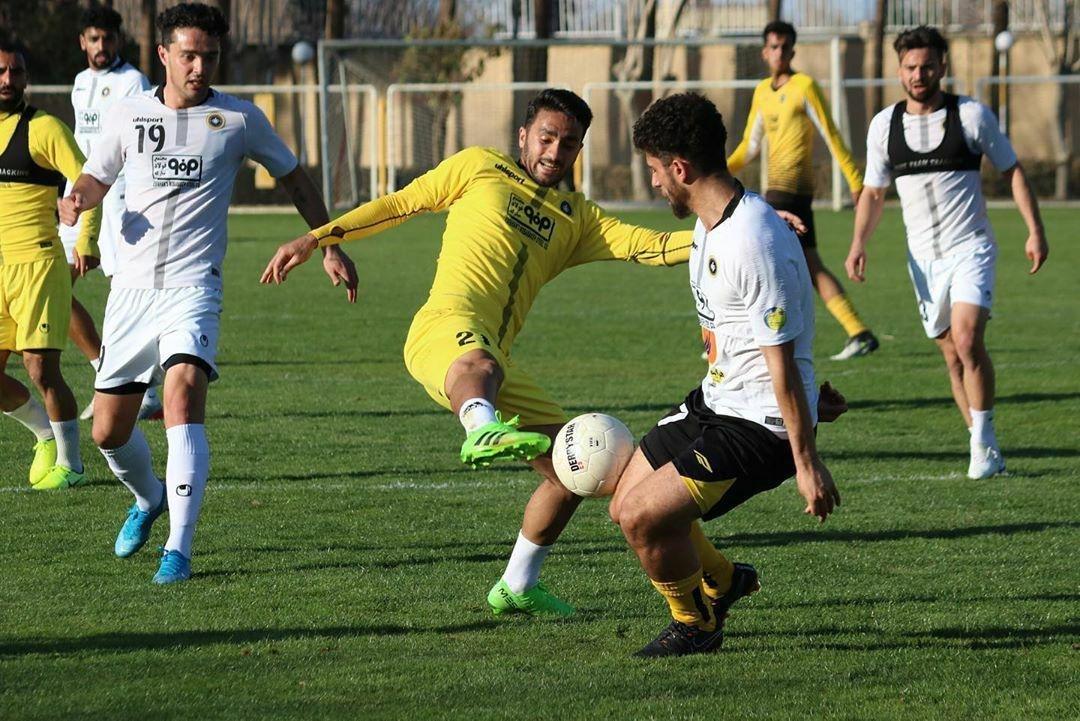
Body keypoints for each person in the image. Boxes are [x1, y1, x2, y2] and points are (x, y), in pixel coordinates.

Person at [262, 88, 700, 618]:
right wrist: (317, 238)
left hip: (497, 363)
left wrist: (731, 228)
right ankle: (480, 427)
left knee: (576, 466)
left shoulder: (577, 218)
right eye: (546, 138)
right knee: (482, 364)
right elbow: (401, 203)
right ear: (523, 135)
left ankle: (517, 584)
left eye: (568, 144)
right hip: (444, 331)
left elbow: (650, 245)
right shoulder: (479, 166)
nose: (554, 152)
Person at [58, 2, 358, 584]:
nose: (200, 67)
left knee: (184, 393)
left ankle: (179, 549)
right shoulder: (127, 113)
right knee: (108, 432)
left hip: (195, 286)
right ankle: (149, 498)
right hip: (131, 292)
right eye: (189, 55)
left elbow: (295, 178)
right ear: (163, 54)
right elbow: (97, 176)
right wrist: (77, 199)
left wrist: (328, 244)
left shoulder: (239, 119)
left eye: (210, 56)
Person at [611, 92, 843, 657]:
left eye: (654, 170)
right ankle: (723, 578)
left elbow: (781, 362)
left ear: (680, 168)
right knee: (623, 502)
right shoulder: (713, 223)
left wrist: (806, 461)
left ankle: (697, 625)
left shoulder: (752, 239)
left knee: (643, 519)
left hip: (759, 429)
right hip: (717, 401)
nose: (654, 183)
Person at [845, 26, 1048, 480]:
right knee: (953, 355)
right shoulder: (884, 126)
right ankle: (984, 445)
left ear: (943, 66)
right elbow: (873, 193)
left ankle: (981, 444)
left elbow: (1013, 171)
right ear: (900, 70)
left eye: (927, 66)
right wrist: (859, 243)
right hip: (922, 261)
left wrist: (1035, 231)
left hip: (971, 247)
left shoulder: (971, 116)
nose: (919, 75)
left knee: (968, 338)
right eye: (910, 67)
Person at [727, 20, 879, 361]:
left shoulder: (804, 86)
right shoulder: (762, 92)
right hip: (779, 193)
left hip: (789, 193)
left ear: (793, 51)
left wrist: (855, 180)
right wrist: (718, 171)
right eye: (774, 47)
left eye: (785, 47)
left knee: (757, 261)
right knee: (809, 265)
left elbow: (831, 133)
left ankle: (756, 338)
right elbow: (749, 146)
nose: (779, 52)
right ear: (765, 52)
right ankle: (858, 331)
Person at [0, 41, 101, 490]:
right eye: (2, 71)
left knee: (41, 369)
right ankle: (44, 434)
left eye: (16, 72)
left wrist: (87, 240)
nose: (8, 80)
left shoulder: (43, 128)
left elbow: (89, 182)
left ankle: (71, 464)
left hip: (38, 264)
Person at [62, 5, 160, 422]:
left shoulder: (132, 82)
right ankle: (104, 370)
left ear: (118, 41)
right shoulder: (80, 83)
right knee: (54, 288)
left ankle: (146, 391)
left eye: (108, 38)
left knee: (128, 294)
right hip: (79, 197)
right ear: (82, 42)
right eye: (94, 38)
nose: (101, 45)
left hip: (119, 201)